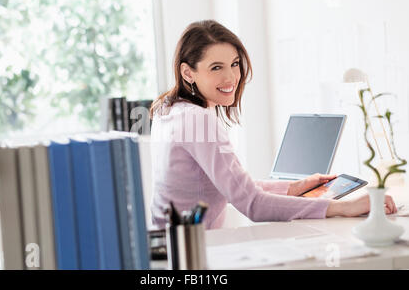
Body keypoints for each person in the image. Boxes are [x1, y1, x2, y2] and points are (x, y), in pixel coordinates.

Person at [148, 19, 397, 230]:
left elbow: (233, 187)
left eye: (234, 64)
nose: (231, 77)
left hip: (167, 252)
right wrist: (342, 207)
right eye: (216, 68)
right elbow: (252, 204)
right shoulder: (198, 120)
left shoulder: (168, 111)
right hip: (193, 256)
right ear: (188, 73)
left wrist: (294, 187)